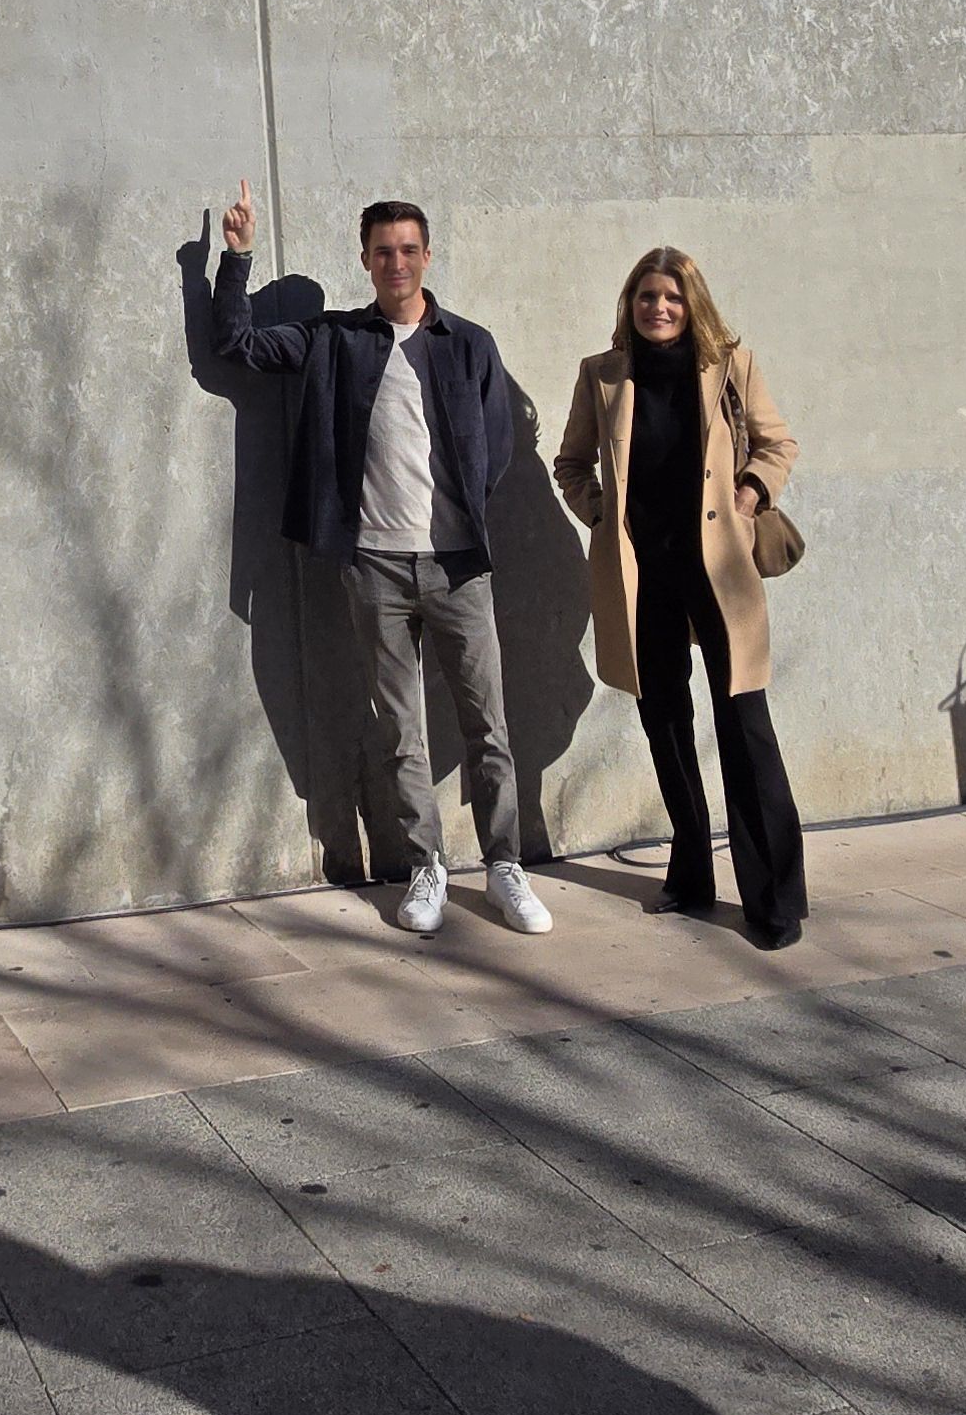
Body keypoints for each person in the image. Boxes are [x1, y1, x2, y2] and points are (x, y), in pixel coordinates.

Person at [213, 185, 550, 936]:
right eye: (381, 251)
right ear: (364, 261)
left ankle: (504, 866)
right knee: (401, 730)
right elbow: (236, 347)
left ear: (427, 257)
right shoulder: (336, 340)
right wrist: (236, 259)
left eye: (408, 250)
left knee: (486, 723)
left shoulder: (469, 343)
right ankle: (427, 867)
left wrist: (463, 512)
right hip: (374, 567)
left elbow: (498, 446)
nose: (395, 262)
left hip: (458, 565)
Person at [551, 247, 807, 944]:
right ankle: (691, 874)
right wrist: (600, 512)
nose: (658, 308)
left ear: (691, 302)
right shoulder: (601, 376)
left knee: (745, 727)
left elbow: (778, 443)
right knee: (664, 724)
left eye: (670, 297)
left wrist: (751, 494)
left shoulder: (731, 365)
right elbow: (570, 462)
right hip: (643, 575)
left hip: (719, 572)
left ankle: (775, 899)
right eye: (645, 297)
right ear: (629, 305)